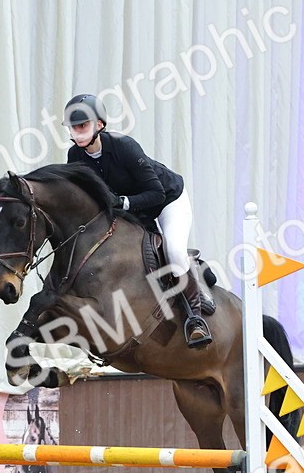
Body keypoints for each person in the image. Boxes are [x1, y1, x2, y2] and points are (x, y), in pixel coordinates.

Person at [61, 93, 212, 348]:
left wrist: (123, 202)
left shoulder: (124, 146)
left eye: (83, 126)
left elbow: (157, 193)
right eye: (73, 128)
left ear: (99, 125)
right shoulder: (75, 157)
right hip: (132, 212)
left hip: (167, 200)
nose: (78, 133)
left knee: (173, 252)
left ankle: (196, 318)